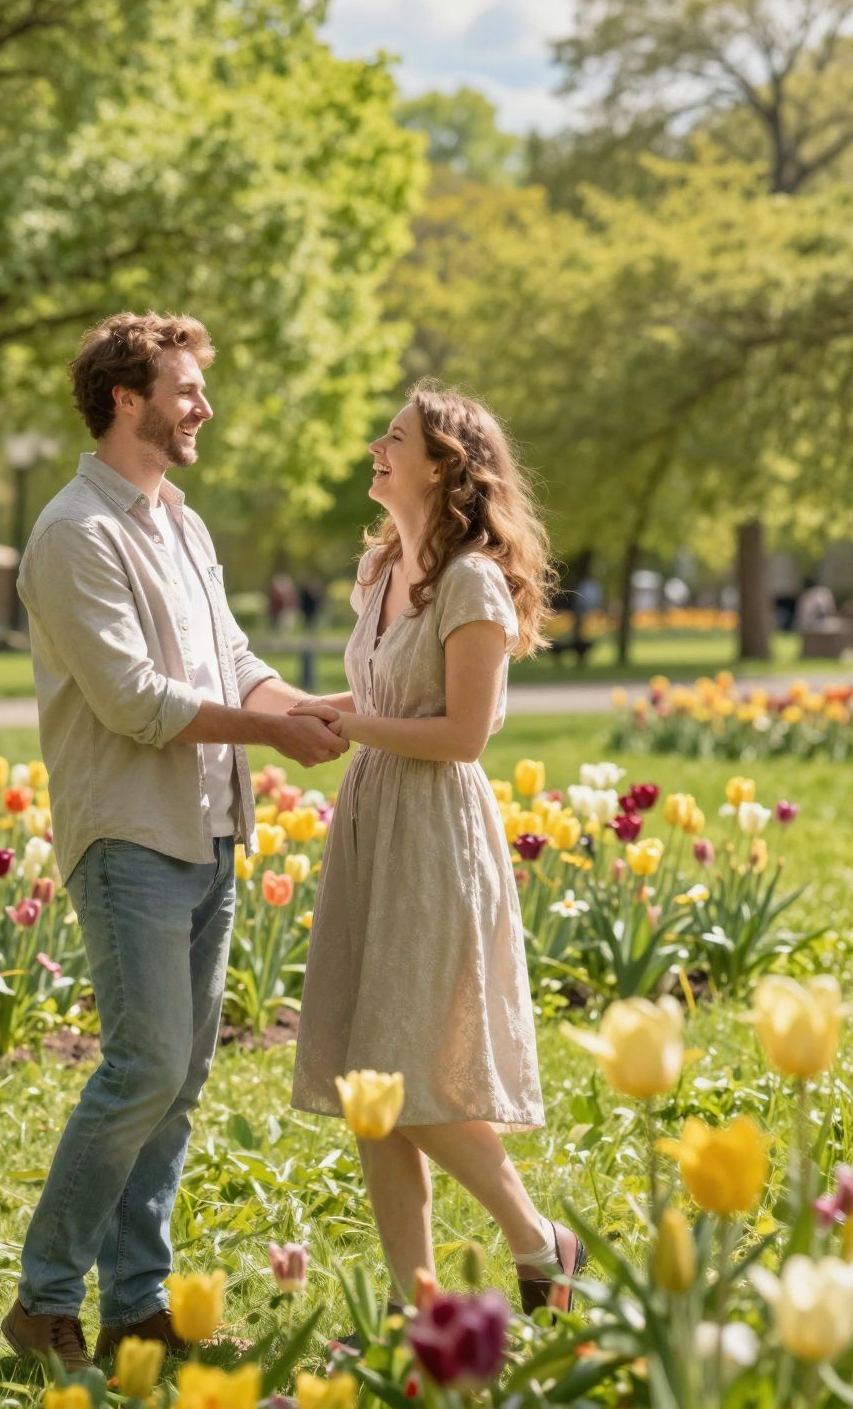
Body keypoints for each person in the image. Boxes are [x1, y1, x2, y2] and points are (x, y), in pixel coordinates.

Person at [1, 312, 348, 1373]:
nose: (204, 406)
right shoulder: (75, 532)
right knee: (143, 1068)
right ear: (126, 399)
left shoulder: (179, 521)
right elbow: (134, 699)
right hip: (131, 834)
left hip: (212, 828)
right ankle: (43, 1303)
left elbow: (231, 658)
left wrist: (313, 708)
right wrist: (274, 734)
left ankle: (136, 1307)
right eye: (185, 389)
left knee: (179, 1078)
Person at [290, 384, 586, 1316]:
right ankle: (414, 1309)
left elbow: (462, 734)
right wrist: (312, 715)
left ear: (443, 466)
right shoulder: (381, 569)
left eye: (396, 436)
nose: (376, 447)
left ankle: (539, 1242)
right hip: (372, 818)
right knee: (370, 1086)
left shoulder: (471, 582)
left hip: (432, 832)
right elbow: (383, 697)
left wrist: (353, 726)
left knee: (407, 1077)